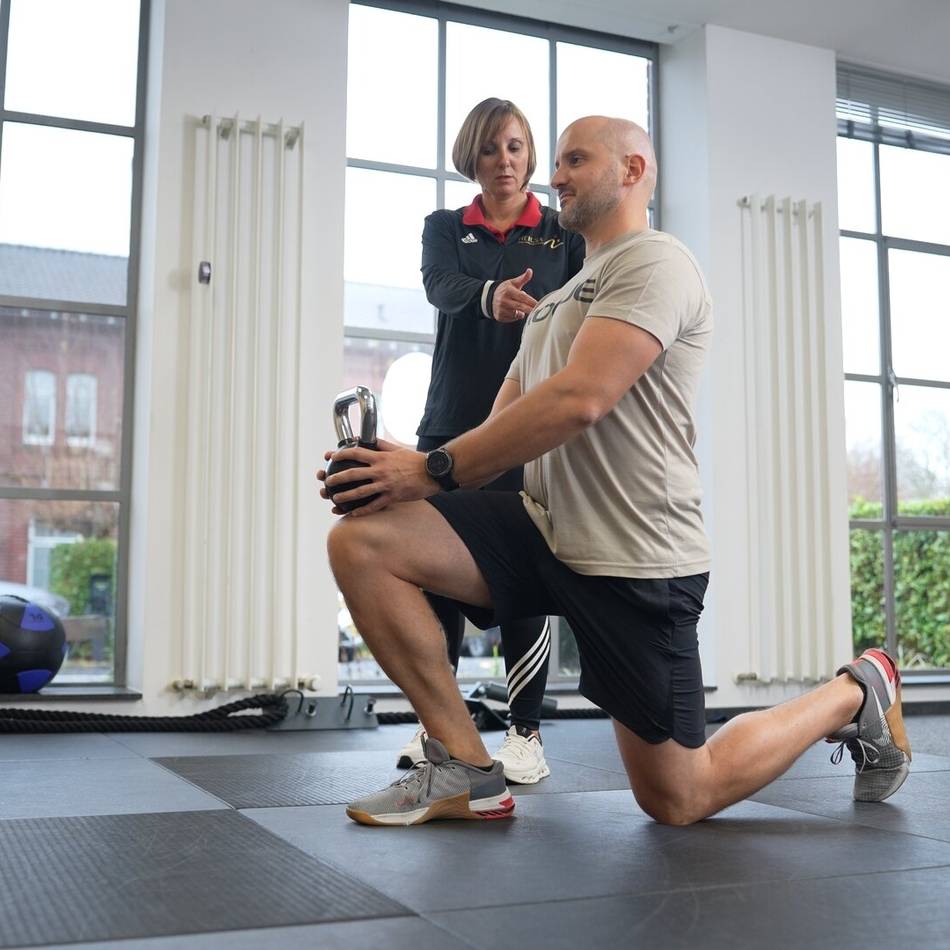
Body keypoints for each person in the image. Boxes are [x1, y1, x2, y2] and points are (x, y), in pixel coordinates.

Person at [320, 116, 912, 827]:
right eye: (559, 162)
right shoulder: (558, 302)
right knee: (364, 541)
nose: (555, 175)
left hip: (635, 555)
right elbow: (504, 422)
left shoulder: (655, 263)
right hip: (544, 528)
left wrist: (435, 470)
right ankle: (464, 769)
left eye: (574, 160)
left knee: (678, 797)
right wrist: (403, 467)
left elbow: (581, 400)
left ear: (632, 171)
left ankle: (859, 688)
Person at [398, 98, 584, 782]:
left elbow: (587, 301)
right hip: (449, 422)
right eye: (489, 151)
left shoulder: (562, 234)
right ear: (470, 159)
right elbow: (440, 285)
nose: (503, 162)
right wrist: (489, 296)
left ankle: (525, 734)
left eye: (514, 148)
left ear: (529, 155)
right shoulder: (445, 227)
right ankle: (438, 729)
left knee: (524, 577)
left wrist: (550, 312)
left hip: (528, 429)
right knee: (430, 576)